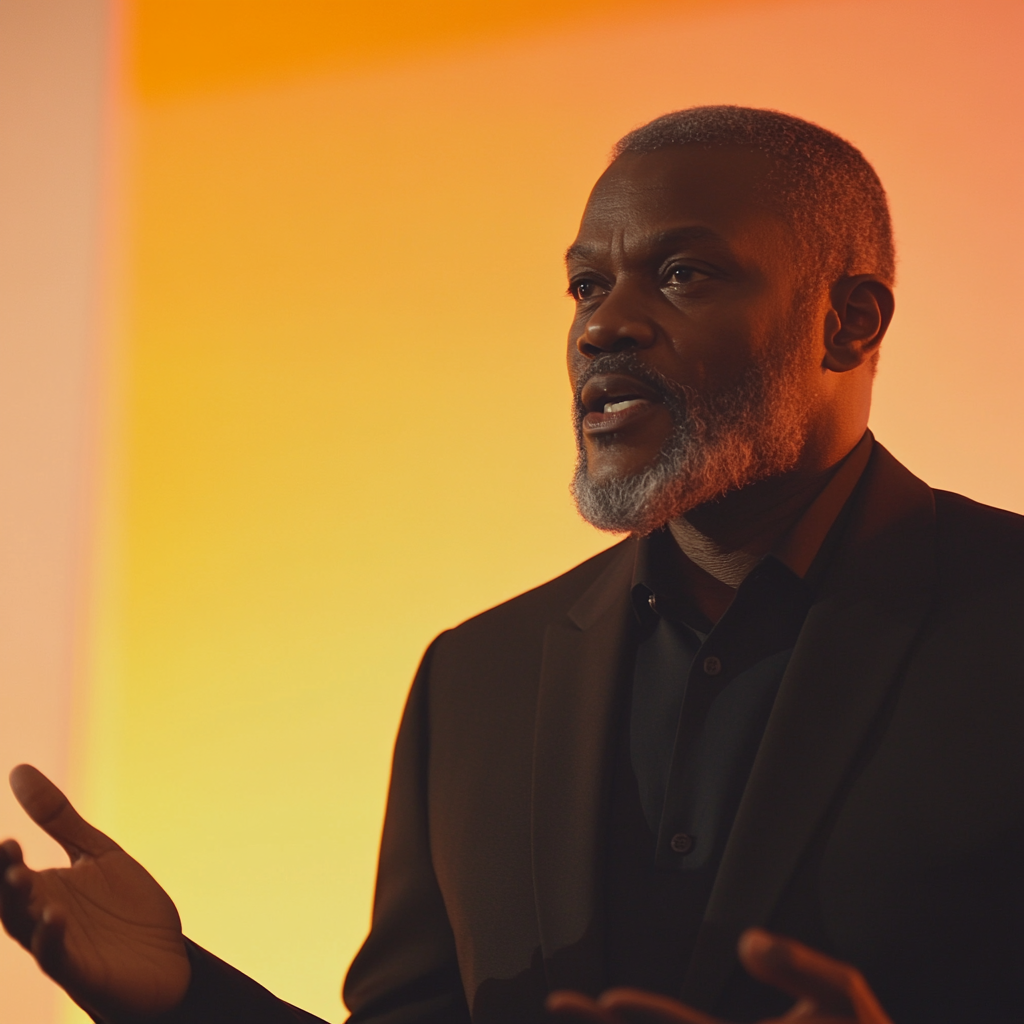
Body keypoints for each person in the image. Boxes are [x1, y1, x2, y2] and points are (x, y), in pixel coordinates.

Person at [3, 106, 1023, 1024]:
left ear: (847, 322)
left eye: (683, 274)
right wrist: (185, 994)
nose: (602, 326)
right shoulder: (477, 678)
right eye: (586, 284)